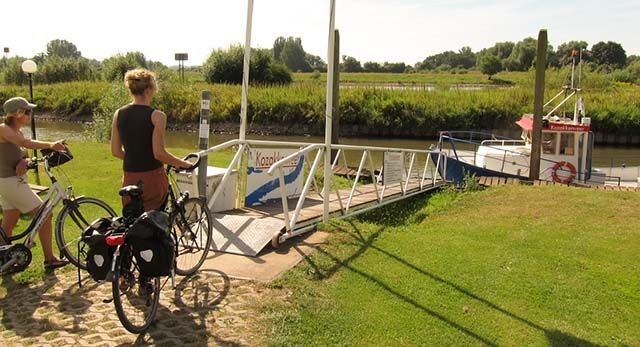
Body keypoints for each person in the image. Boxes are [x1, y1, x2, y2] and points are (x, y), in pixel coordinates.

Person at [0, 97, 69, 269]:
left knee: (10, 220)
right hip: (10, 182)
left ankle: (3, 259)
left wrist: (24, 160)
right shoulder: (3, 129)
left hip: (12, 182)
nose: (30, 115)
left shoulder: (17, 132)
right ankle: (50, 259)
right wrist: (51, 144)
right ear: (18, 113)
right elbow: (25, 144)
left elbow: (22, 151)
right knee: (45, 214)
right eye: (28, 111)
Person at [110, 69, 192, 211]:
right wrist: (183, 163)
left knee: (133, 221)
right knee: (155, 221)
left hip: (129, 176)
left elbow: (116, 151)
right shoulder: (157, 116)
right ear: (148, 90)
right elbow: (159, 153)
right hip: (152, 177)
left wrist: (135, 157)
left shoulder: (119, 114)